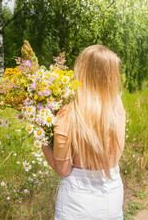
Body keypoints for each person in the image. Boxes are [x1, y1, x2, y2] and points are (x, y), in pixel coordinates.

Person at [42, 45, 126, 220]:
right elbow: (113, 159)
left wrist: (42, 136)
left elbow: (63, 170)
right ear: (111, 76)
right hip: (111, 194)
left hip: (75, 202)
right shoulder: (117, 107)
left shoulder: (67, 112)